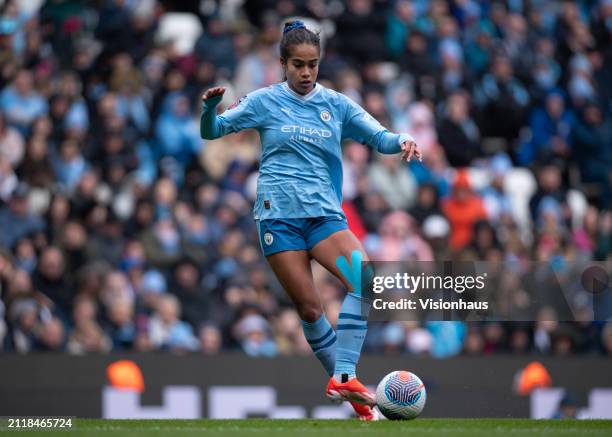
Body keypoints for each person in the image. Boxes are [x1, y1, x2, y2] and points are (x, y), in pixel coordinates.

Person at [200, 20, 421, 420]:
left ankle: (344, 375)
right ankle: (361, 406)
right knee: (309, 310)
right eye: (298, 64)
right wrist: (208, 109)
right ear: (283, 63)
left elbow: (378, 135)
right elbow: (213, 132)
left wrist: (402, 140)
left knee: (365, 279)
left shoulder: (335, 104)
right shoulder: (263, 101)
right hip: (277, 220)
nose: (306, 72)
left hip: (323, 217)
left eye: (313, 64)